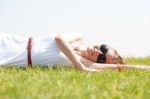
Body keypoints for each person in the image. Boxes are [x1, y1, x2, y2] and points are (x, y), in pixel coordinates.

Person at [0, 32, 150, 72]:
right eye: (103, 48)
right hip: (12, 42)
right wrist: (79, 66)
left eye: (102, 58)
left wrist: (146, 68)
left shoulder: (87, 63)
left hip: (14, 60)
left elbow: (122, 68)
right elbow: (59, 38)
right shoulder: (78, 37)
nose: (99, 52)